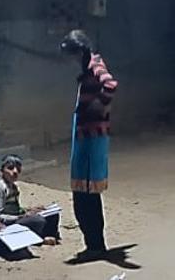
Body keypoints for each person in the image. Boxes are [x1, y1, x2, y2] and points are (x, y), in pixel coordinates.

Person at [60, 29, 118, 260]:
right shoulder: (90, 66)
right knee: (85, 194)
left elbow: (110, 84)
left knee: (85, 195)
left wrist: (99, 105)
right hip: (87, 134)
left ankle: (95, 245)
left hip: (91, 137)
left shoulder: (95, 65)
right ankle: (94, 243)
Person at [0, 154, 61, 245]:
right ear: (1, 171)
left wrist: (30, 210)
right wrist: (19, 217)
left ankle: (49, 234)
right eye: (10, 168)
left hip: (17, 218)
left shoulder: (13, 187)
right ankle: (40, 238)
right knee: (38, 221)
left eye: (18, 169)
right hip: (8, 224)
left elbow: (15, 208)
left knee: (52, 214)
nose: (15, 172)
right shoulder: (0, 187)